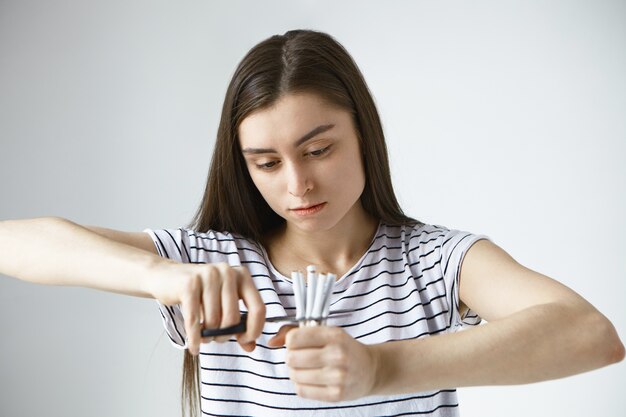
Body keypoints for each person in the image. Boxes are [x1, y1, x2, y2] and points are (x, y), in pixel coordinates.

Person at [0, 29, 623, 417]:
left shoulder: (434, 262)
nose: (297, 185)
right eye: (266, 163)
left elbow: (590, 334)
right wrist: (163, 276)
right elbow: (13, 243)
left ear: (363, 136)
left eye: (318, 150)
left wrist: (383, 369)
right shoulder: (211, 263)